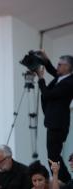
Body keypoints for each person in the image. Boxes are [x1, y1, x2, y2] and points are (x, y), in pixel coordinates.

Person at [36, 51, 73, 183]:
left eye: (59, 65)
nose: (57, 67)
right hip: (55, 123)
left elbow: (48, 94)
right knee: (54, 155)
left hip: (58, 124)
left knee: (53, 156)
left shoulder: (69, 83)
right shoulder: (62, 78)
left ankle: (64, 181)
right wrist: (45, 60)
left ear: (67, 67)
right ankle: (65, 180)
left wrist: (40, 78)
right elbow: (53, 70)